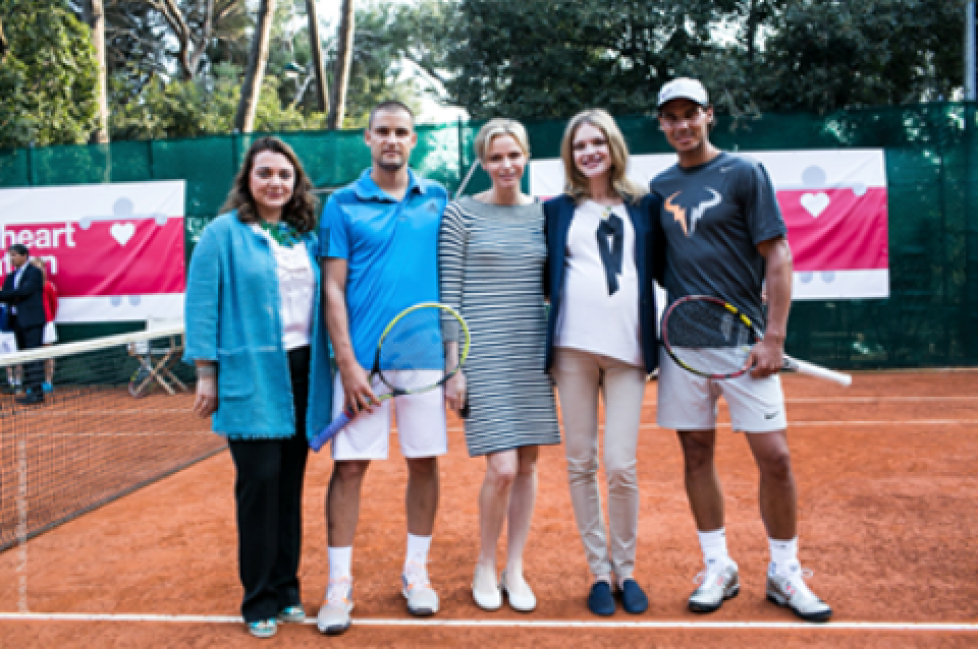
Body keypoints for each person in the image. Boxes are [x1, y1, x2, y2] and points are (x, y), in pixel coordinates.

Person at [651, 77, 832, 623]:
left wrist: (773, 337)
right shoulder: (657, 188)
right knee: (696, 455)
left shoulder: (745, 173)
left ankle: (784, 572)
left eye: (690, 114)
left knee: (775, 458)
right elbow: (655, 268)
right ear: (661, 123)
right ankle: (718, 566)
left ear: (710, 115)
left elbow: (778, 256)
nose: (681, 125)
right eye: (670, 117)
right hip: (684, 347)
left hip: (745, 346)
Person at [184, 136, 333, 639]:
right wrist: (207, 372)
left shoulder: (304, 237)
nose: (275, 182)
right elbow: (202, 303)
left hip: (303, 374)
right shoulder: (223, 234)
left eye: (284, 175)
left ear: (296, 185)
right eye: (265, 172)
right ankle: (258, 598)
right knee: (259, 485)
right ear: (248, 180)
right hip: (251, 377)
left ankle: (288, 587)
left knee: (289, 486)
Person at [317, 100, 449, 635]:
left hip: (422, 363)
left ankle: (416, 574)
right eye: (382, 132)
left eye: (402, 131)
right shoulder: (342, 205)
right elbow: (332, 287)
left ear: (413, 139)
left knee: (423, 463)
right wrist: (347, 365)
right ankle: (338, 587)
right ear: (366, 138)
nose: (392, 139)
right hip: (361, 366)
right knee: (349, 469)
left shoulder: (437, 197)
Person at [439, 119, 561, 613]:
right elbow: (450, 294)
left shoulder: (545, 216)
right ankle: (484, 564)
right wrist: (454, 367)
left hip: (531, 351)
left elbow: (555, 285)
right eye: (495, 157)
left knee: (528, 465)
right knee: (503, 468)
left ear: (526, 157)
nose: (505, 165)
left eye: (513, 155)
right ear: (483, 162)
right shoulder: (459, 214)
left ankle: (515, 567)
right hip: (480, 354)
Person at [543, 109, 662, 616]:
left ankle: (626, 569)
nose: (588, 152)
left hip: (628, 353)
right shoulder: (555, 210)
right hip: (572, 350)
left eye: (597, 142)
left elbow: (670, 266)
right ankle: (598, 572)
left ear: (613, 147)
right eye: (579, 145)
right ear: (570, 155)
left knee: (620, 465)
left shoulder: (645, 205)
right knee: (580, 462)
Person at [0, 244, 46, 405]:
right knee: (25, 357)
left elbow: (24, 292)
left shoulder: (35, 272)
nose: (11, 258)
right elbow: (6, 295)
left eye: (14, 255)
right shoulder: (11, 276)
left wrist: (10, 295)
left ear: (24, 255)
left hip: (32, 321)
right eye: (9, 255)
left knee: (34, 357)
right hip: (17, 322)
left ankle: (37, 393)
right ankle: (32, 392)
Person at [29, 257, 58, 392]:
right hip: (30, 325)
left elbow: (53, 305)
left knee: (48, 354)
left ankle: (48, 382)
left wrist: (49, 319)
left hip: (47, 323)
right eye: (35, 267)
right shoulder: (25, 286)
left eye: (40, 267)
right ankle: (34, 384)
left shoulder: (48, 285)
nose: (38, 270)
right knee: (32, 355)